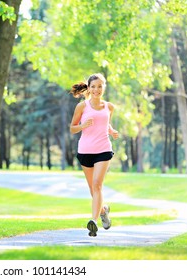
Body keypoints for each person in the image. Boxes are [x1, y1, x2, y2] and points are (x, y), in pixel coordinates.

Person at [69, 73, 119, 237]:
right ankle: (104, 211)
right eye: (93, 87)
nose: (97, 89)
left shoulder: (109, 107)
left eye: (100, 86)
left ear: (104, 87)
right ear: (89, 89)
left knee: (97, 185)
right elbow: (72, 128)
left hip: (103, 149)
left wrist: (112, 131)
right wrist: (83, 125)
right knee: (93, 189)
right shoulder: (82, 107)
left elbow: (106, 124)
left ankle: (94, 222)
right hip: (85, 151)